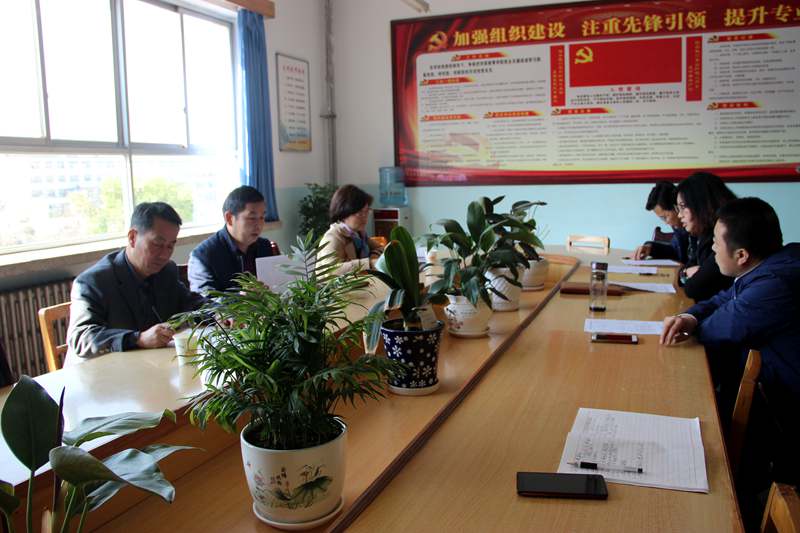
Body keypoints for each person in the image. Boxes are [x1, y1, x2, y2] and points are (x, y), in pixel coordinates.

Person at [660, 197, 799, 526]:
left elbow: (720, 329)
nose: (710, 248)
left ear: (741, 255)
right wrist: (690, 317)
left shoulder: (775, 286)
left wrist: (696, 324)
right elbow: (725, 299)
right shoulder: (772, 265)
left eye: (715, 242)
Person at [67, 202, 205, 361]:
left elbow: (191, 303)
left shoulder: (166, 271)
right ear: (132, 237)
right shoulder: (94, 281)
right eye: (157, 244)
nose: (164, 255)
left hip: (151, 364)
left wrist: (219, 313)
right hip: (105, 370)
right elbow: (81, 337)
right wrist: (138, 339)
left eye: (170, 246)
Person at [188, 186, 275, 295]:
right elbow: (204, 302)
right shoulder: (202, 256)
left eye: (262, 217)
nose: (259, 225)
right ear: (229, 218)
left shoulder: (264, 246)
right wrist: (240, 298)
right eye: (252, 218)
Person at [674, 172, 737, 302]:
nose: (679, 215)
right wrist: (685, 273)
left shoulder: (724, 237)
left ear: (702, 204)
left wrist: (685, 274)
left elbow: (694, 288)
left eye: (683, 207)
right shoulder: (703, 233)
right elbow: (689, 265)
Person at [318, 185, 383, 274]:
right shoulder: (333, 237)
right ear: (344, 212)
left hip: (361, 281)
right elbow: (331, 270)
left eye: (367, 211)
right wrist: (368, 263)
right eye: (360, 213)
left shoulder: (358, 234)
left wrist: (374, 255)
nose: (365, 217)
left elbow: (381, 248)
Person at [633, 181, 693, 263]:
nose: (666, 223)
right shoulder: (679, 229)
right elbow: (675, 251)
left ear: (676, 207)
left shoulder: (697, 230)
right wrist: (650, 248)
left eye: (665, 217)